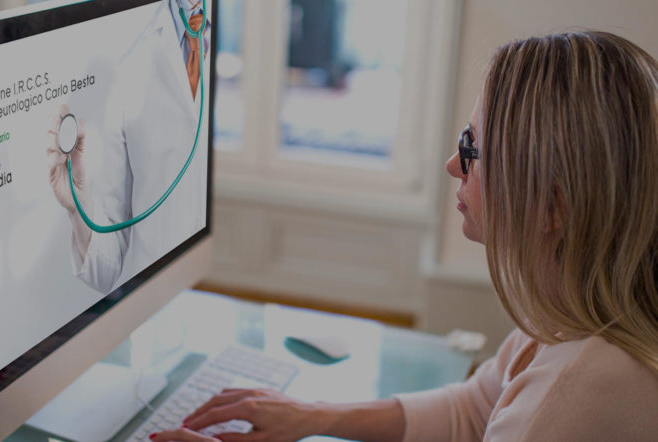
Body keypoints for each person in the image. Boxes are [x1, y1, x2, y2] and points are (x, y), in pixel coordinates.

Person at [150, 31, 658, 441]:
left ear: (553, 207)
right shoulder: (576, 303)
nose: (453, 164)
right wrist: (316, 416)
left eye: (473, 150)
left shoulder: (580, 396)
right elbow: (475, 409)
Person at [47, 0, 210, 294]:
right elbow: (107, 270)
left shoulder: (241, 43)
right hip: (155, 310)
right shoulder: (129, 57)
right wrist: (78, 207)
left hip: (226, 297)